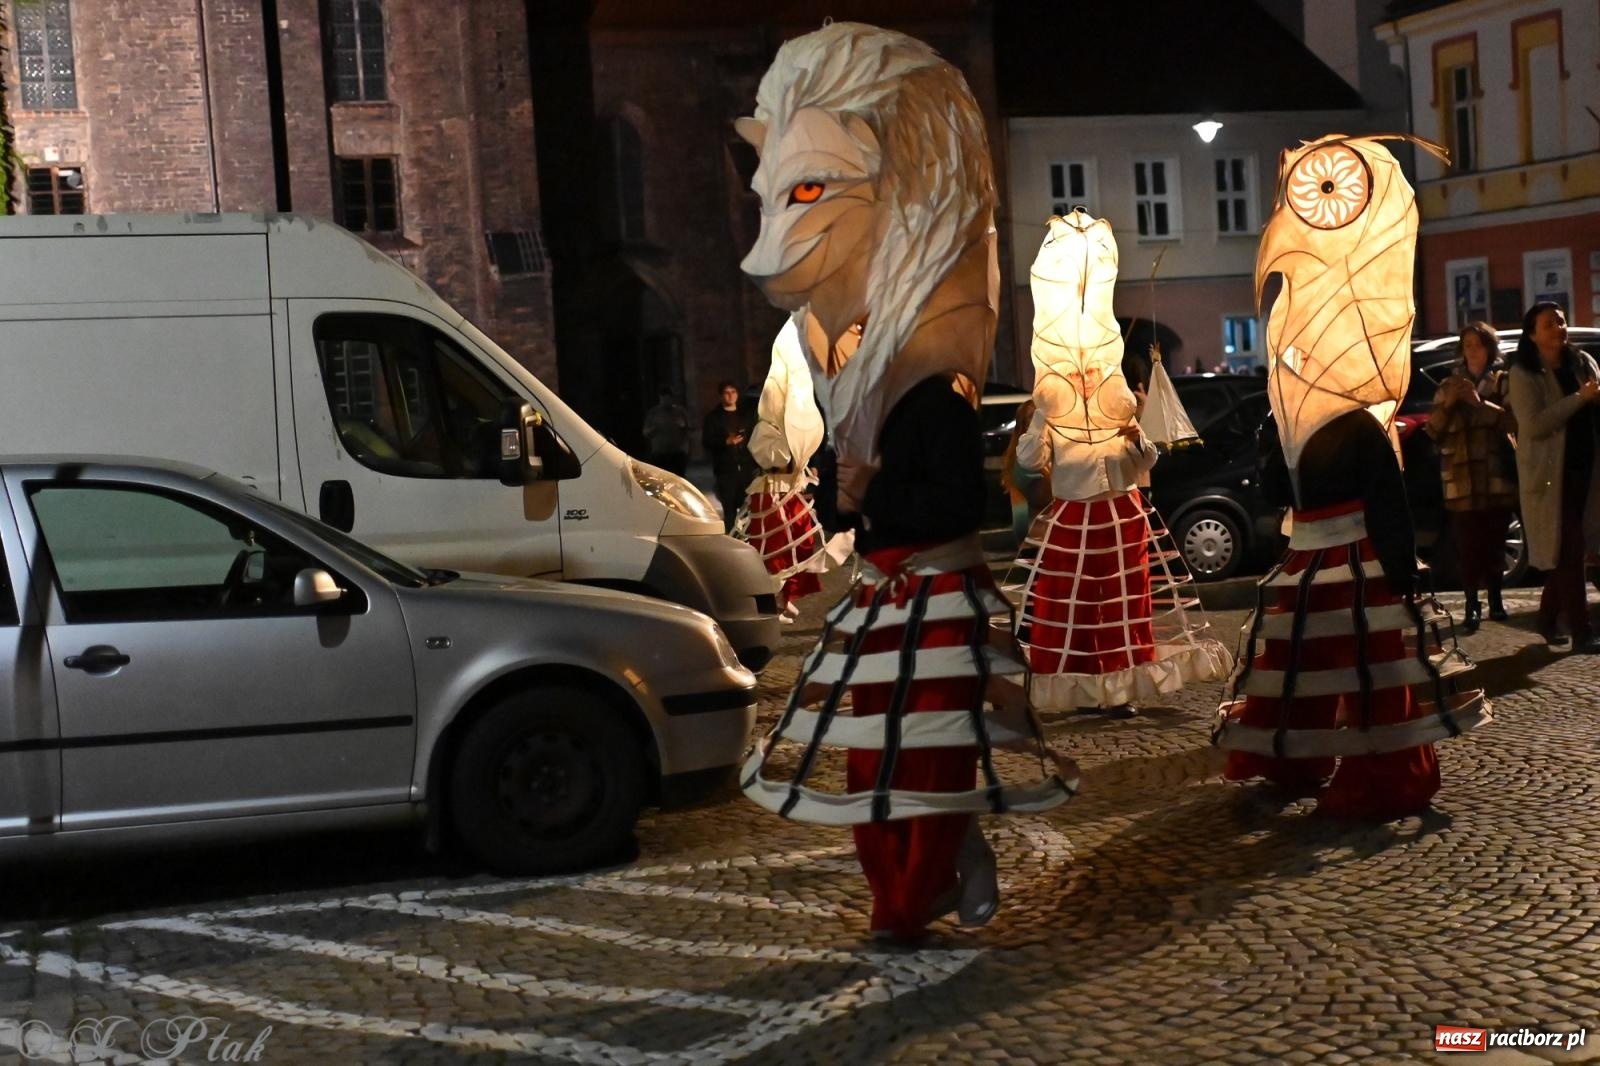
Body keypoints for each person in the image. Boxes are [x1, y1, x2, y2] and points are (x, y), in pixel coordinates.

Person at [1505, 302, 1600, 652]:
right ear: (1532, 333)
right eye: (1549, 324)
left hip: (1586, 469)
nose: (1558, 328)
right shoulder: (1523, 372)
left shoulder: (1582, 362)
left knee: (1569, 550)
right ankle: (1582, 631)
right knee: (1570, 551)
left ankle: (1545, 620)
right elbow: (1534, 425)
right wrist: (1579, 398)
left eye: (1560, 321)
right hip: (1549, 476)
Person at [1426, 322, 1517, 633]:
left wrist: (1481, 405)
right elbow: (1433, 430)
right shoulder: (1449, 385)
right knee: (1467, 546)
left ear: (1490, 347)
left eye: (1479, 344)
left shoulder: (1503, 381)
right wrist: (1450, 404)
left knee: (1494, 542)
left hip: (1496, 477)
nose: (1473, 350)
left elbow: (1513, 423)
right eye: (1467, 344)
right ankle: (1471, 604)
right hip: (1461, 478)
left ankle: (1495, 598)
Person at [702, 380, 756, 532]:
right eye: (727, 393)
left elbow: (754, 436)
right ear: (721, 395)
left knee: (749, 506)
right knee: (729, 508)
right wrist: (725, 441)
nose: (730, 396)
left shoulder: (745, 416)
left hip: (746, 467)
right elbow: (707, 441)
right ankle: (732, 536)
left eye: (733, 392)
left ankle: (749, 536)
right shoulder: (713, 418)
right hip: (726, 469)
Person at [641, 389, 691, 475]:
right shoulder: (654, 412)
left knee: (678, 477)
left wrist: (683, 426)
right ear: (660, 399)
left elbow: (688, 429)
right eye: (663, 399)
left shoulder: (679, 412)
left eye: (668, 399)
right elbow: (645, 432)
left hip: (677, 453)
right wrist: (653, 429)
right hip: (660, 453)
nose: (666, 401)